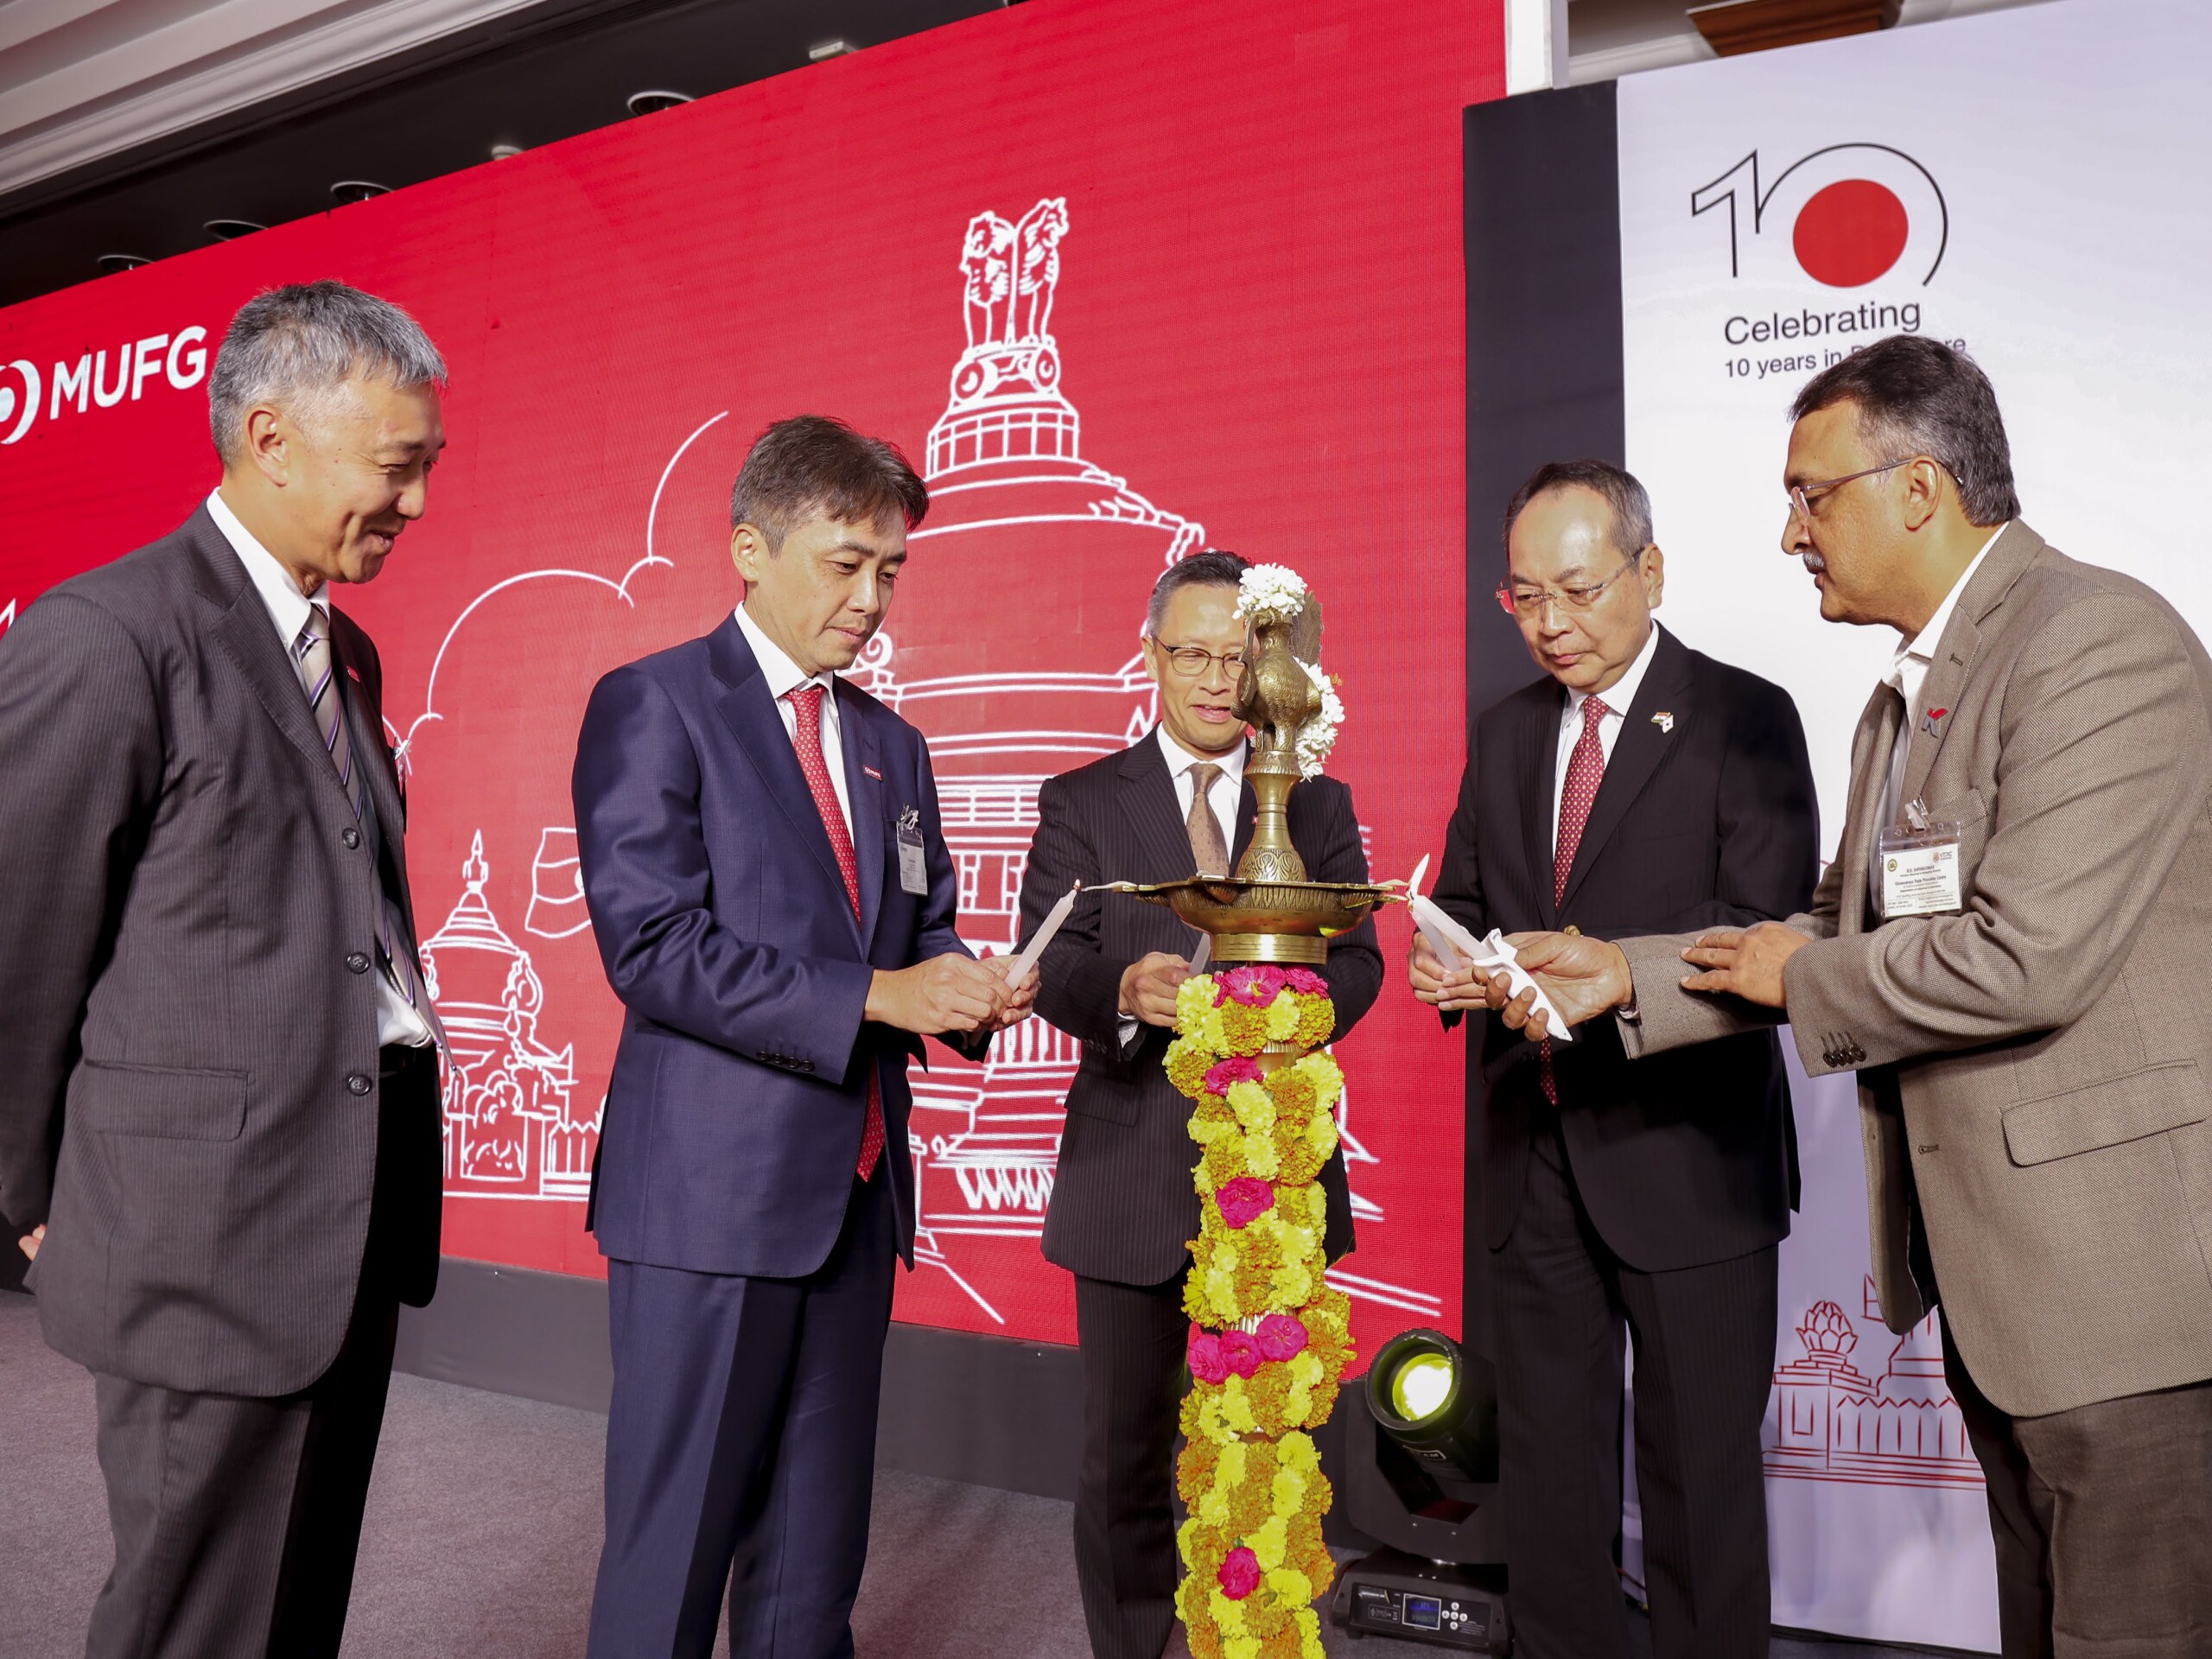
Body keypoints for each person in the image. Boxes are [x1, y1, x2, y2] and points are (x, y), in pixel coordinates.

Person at [1490, 337, 2212, 1658]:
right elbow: (1836, 925)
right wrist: (1627, 975)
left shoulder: (2097, 640)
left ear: (1920, 489)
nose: (1788, 534)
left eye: (1812, 496)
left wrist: (1795, 973)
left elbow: (2023, 954)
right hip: (2013, 1300)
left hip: (2119, 1306)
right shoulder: (1906, 695)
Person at [0, 281, 449, 1659]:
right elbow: (14, 941)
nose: (419, 503)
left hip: (342, 1212)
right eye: (399, 465)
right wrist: (25, 1199)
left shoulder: (346, 654)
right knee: (194, 1618)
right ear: (270, 437)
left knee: (291, 1604)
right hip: (199, 1230)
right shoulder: (106, 635)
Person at [573, 414, 1034, 1659]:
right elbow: (653, 948)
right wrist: (880, 999)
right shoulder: (654, 703)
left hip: (858, 1198)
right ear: (749, 549)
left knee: (813, 1564)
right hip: (707, 1207)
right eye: (844, 564)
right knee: (672, 1557)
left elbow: (921, 927)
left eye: (890, 570)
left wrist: (965, 983)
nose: (871, 598)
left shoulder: (893, 747)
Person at [1409, 461, 1816, 1659]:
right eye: (1524, 597)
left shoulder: (1747, 716)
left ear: (1650, 571)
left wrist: (1607, 971)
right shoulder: (1507, 729)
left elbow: (1771, 931)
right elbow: (1469, 894)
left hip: (1688, 1156)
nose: (1550, 625)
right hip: (1533, 1153)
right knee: (1549, 1478)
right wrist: (1454, 968)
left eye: (1578, 591)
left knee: (1699, 1488)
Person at [1014, 549, 1383, 1659]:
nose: (1217, 679)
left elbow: (1357, 963)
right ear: (1152, 657)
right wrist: (1121, 993)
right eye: (1194, 655)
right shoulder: (1081, 800)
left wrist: (1285, 1009)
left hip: (1272, 1186)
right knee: (1124, 1455)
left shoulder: (1318, 804)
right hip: (1131, 1174)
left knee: (1265, 1446)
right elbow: (1055, 959)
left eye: (1240, 655)